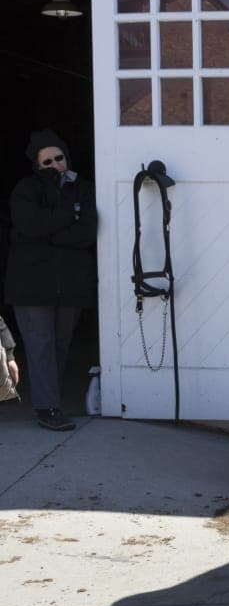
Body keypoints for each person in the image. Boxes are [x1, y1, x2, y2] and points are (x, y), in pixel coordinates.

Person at [6, 129, 97, 431]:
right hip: (31, 285)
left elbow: (85, 232)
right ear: (37, 164)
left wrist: (53, 226)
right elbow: (30, 225)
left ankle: (50, 399)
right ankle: (48, 407)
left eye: (59, 158)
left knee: (60, 343)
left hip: (69, 283)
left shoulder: (82, 189)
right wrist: (68, 215)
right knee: (40, 344)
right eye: (47, 162)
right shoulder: (25, 190)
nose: (56, 165)